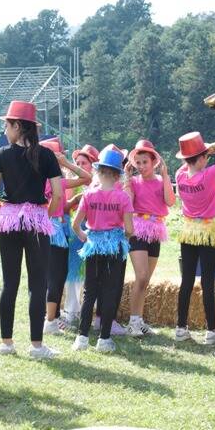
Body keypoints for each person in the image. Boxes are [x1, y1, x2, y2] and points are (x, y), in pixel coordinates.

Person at [0, 100, 62, 360]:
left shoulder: (2, 154)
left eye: (7, 125)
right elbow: (58, 193)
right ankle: (36, 346)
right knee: (37, 284)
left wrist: (5, 211)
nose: (5, 131)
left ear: (17, 126)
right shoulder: (47, 155)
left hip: (9, 220)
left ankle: (6, 343)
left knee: (9, 282)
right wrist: (46, 213)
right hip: (36, 221)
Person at [174, 132, 215, 344]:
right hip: (208, 231)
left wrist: (203, 151)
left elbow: (187, 164)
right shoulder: (210, 174)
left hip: (188, 230)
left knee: (187, 281)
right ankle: (211, 330)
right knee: (208, 281)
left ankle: (181, 327)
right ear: (201, 158)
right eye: (205, 157)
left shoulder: (180, 176)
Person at [71, 147, 134, 352]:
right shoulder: (123, 198)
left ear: (98, 172)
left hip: (93, 245)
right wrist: (121, 237)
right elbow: (130, 230)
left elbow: (76, 225)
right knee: (109, 291)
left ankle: (81, 337)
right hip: (114, 247)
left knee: (90, 291)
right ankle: (104, 339)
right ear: (117, 175)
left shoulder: (88, 195)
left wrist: (85, 237)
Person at [123, 139, 175, 337]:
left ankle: (139, 320)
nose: (141, 166)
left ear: (154, 162)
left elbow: (170, 201)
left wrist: (165, 175)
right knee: (142, 276)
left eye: (145, 161)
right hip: (137, 229)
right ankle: (133, 322)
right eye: (138, 162)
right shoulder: (134, 182)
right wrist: (127, 178)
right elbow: (128, 203)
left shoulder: (162, 181)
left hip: (156, 230)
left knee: (146, 279)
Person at [41, 138, 91, 335]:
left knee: (48, 276)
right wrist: (66, 163)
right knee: (57, 276)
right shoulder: (59, 181)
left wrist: (70, 203)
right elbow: (87, 178)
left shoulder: (35, 178)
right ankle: (50, 321)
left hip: (42, 229)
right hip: (57, 232)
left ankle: (48, 318)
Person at [63, 144, 99, 324]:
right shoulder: (73, 184)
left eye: (84, 163)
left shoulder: (99, 185)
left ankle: (91, 312)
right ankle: (71, 310)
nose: (79, 166)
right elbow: (66, 206)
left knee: (92, 273)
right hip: (75, 229)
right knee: (73, 271)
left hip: (93, 229)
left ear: (93, 166)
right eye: (77, 162)